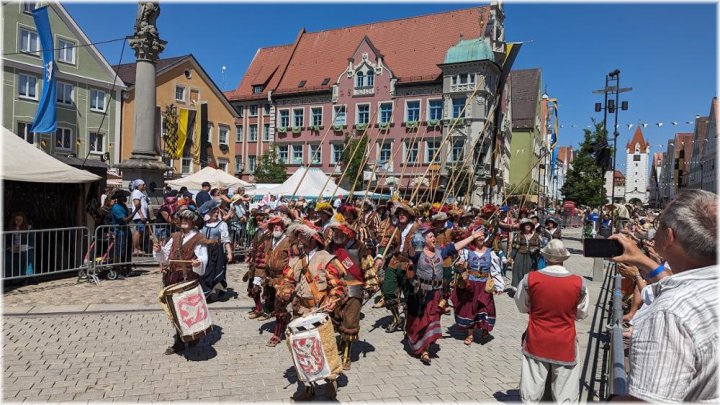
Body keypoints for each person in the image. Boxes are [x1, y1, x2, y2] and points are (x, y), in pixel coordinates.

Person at [610, 189, 718, 402]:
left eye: (658, 225)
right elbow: (681, 285)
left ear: (669, 236)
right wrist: (642, 260)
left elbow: (649, 400)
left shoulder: (670, 313)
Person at [276, 220, 347, 400]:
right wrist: (284, 292)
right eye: (298, 235)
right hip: (300, 312)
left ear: (313, 239)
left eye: (303, 236)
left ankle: (331, 381)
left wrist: (332, 300)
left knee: (324, 349)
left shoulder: (326, 258)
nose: (299, 239)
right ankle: (308, 387)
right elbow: (288, 280)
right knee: (303, 351)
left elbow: (338, 287)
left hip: (319, 311)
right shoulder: (296, 260)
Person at [514, 239, 589, 403]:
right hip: (565, 340)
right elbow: (582, 313)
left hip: (537, 337)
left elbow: (521, 305)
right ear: (564, 258)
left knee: (532, 386)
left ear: (546, 257)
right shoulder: (579, 283)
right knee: (565, 390)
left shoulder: (530, 279)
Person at [405, 225, 483, 364]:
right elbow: (410, 252)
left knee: (431, 319)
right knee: (418, 322)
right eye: (430, 237)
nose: (434, 238)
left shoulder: (440, 252)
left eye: (433, 236)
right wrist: (411, 241)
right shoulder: (418, 253)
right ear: (423, 240)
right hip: (420, 294)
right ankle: (416, 342)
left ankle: (425, 350)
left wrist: (472, 237)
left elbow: (455, 247)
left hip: (435, 294)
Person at [152, 208, 209, 355]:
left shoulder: (199, 238)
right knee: (176, 311)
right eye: (182, 218)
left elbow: (203, 258)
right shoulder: (175, 236)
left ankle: (193, 336)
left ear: (193, 222)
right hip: (172, 278)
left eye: (187, 219)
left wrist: (198, 262)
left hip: (188, 278)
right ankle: (180, 342)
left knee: (189, 310)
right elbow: (165, 257)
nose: (183, 221)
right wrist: (158, 250)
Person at [327, 216, 379, 370]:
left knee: (349, 323)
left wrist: (370, 286)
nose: (336, 234)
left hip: (354, 291)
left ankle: (346, 356)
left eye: (339, 231)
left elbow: (368, 267)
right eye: (334, 231)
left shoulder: (359, 247)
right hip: (335, 291)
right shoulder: (329, 248)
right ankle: (340, 345)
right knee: (336, 320)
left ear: (347, 233)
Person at [451, 226, 505, 345]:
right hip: (470, 284)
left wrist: (499, 285)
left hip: (484, 285)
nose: (481, 237)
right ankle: (470, 335)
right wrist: (460, 265)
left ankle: (485, 329)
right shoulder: (467, 251)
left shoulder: (491, 252)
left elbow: (495, 270)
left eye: (483, 235)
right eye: (478, 235)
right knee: (470, 308)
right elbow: (458, 266)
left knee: (486, 307)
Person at [375, 203, 420, 333]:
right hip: (394, 262)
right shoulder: (394, 228)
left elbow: (422, 248)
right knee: (388, 291)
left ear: (410, 215)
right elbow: (385, 242)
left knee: (408, 297)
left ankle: (407, 322)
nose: (401, 216)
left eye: (404, 213)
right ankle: (396, 318)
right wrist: (379, 256)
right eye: (399, 214)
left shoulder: (417, 229)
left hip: (409, 265)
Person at [262, 214, 293, 347]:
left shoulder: (289, 241)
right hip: (270, 278)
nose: (276, 227)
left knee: (279, 306)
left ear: (283, 227)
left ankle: (277, 334)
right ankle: (285, 319)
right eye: (273, 226)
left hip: (283, 278)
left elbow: (293, 260)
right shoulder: (269, 240)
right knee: (271, 305)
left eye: (279, 225)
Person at [198, 200, 233, 301]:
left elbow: (226, 240)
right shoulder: (204, 225)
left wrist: (229, 253)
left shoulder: (222, 224)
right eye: (214, 212)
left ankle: (221, 291)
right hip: (206, 250)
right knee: (207, 271)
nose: (216, 214)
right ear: (209, 213)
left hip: (217, 250)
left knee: (219, 269)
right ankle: (207, 292)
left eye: (217, 212)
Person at [110, 190, 138, 277]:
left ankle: (128, 269)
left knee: (128, 251)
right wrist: (136, 210)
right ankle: (118, 271)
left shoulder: (124, 206)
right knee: (119, 252)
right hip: (119, 232)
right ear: (119, 198)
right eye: (123, 197)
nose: (125, 198)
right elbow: (125, 220)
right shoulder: (116, 207)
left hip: (126, 231)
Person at [507, 218, 541, 287]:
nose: (528, 226)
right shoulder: (519, 235)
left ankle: (529, 288)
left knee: (530, 273)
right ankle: (518, 288)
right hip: (520, 255)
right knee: (518, 272)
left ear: (532, 226)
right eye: (526, 225)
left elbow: (541, 246)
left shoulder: (537, 235)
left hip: (531, 257)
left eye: (529, 225)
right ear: (523, 226)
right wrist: (511, 257)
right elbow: (515, 247)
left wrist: (536, 250)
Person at [4, 211, 35, 278]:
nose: (18, 221)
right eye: (16, 220)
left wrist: (22, 247)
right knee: (6, 256)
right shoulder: (10, 229)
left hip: (25, 248)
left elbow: (32, 243)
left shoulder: (29, 228)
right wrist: (10, 247)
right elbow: (5, 242)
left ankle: (28, 277)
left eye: (20, 220)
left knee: (29, 256)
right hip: (13, 249)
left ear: (23, 220)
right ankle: (9, 278)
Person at [130, 179, 150, 256]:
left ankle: (138, 248)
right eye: (143, 184)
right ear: (138, 186)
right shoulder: (136, 192)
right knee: (138, 232)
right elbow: (137, 204)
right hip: (139, 216)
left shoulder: (140, 193)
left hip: (142, 216)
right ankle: (136, 249)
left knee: (141, 232)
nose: (145, 186)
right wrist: (141, 215)